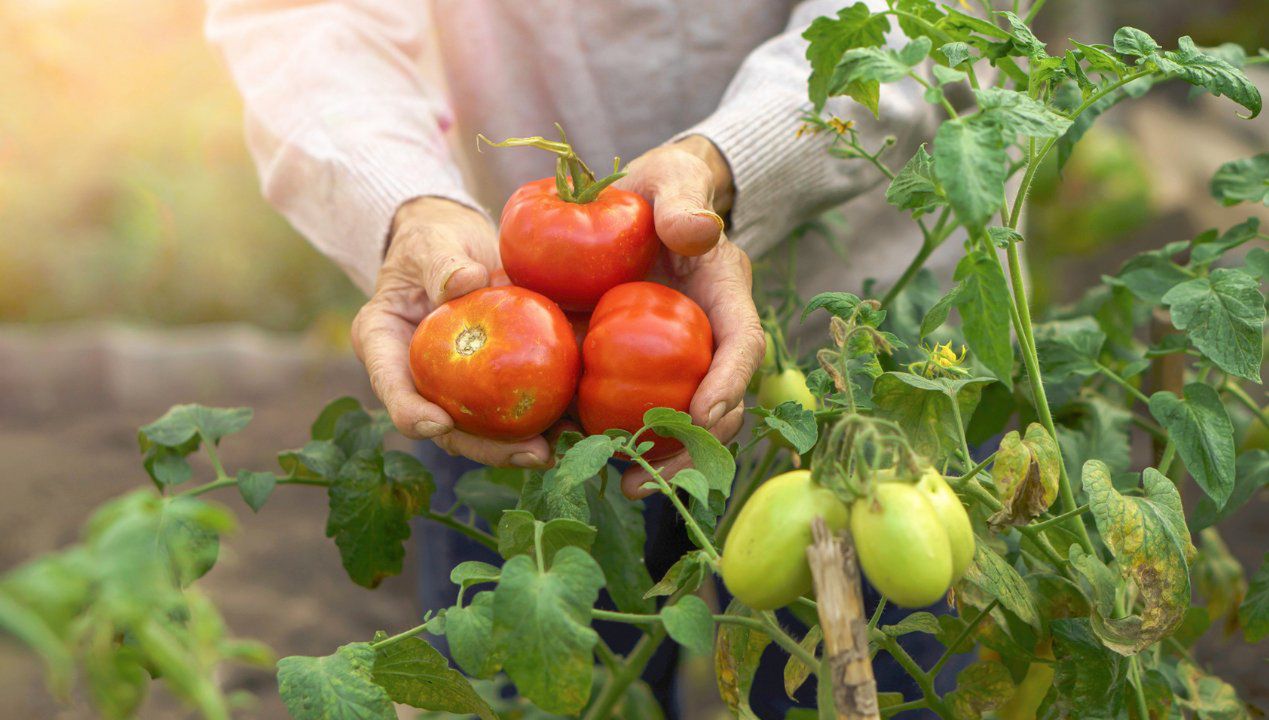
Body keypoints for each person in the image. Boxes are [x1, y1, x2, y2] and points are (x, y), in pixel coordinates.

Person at [207, 1, 962, 716]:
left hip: (858, 355)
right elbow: (301, 18)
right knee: (528, 689)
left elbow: (919, 17)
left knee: (875, 688)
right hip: (504, 378)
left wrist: (738, 160)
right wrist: (405, 203)